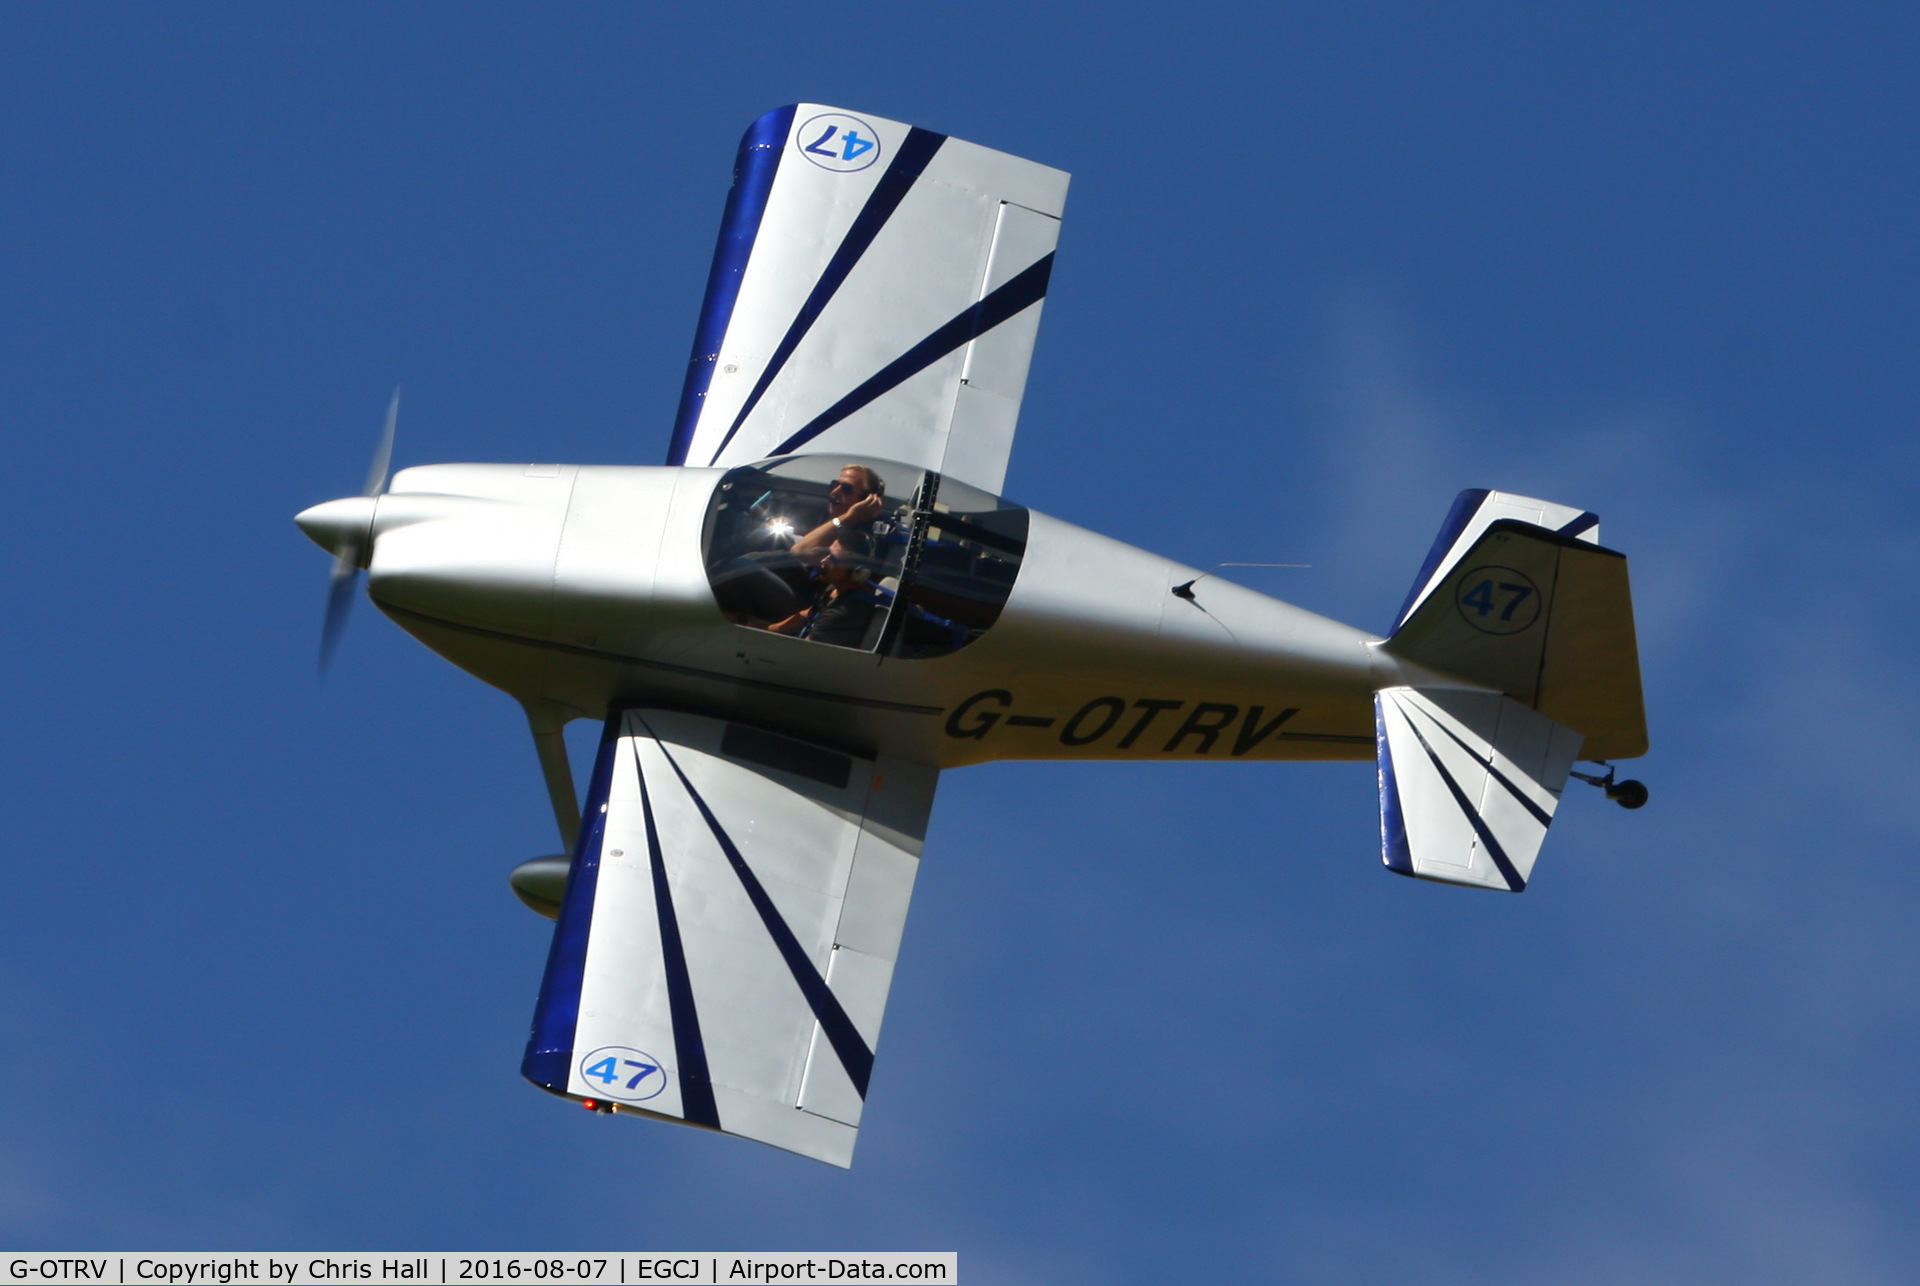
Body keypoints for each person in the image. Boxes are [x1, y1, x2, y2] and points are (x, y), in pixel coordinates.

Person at [768, 530, 886, 648]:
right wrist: (768, 630)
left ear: (857, 572)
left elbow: (799, 653)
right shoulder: (838, 586)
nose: (824, 561)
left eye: (834, 560)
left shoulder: (841, 614)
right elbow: (810, 613)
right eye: (827, 553)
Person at [791, 464, 887, 554]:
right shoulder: (823, 518)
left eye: (846, 488)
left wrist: (850, 517)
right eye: (835, 484)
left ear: (866, 499)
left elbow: (799, 551)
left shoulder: (864, 540)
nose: (835, 492)